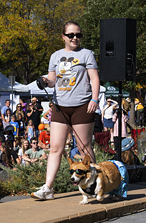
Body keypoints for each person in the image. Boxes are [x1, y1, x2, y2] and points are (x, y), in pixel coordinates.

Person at [31, 20, 100, 200]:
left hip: (82, 105)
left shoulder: (87, 54)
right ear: (63, 37)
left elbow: (94, 78)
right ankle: (48, 188)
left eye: (78, 35)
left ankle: (93, 184)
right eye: (71, 35)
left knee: (84, 147)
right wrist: (46, 81)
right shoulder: (55, 56)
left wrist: (94, 98)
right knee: (55, 147)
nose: (75, 38)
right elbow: (53, 80)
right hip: (60, 106)